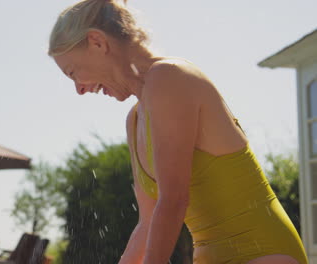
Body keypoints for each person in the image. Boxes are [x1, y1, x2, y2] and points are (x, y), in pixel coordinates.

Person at [47, 0, 309, 263]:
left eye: (73, 72)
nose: (79, 89)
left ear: (97, 42)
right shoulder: (135, 119)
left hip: (263, 252)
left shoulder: (169, 77)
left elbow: (173, 200)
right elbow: (148, 223)